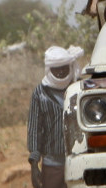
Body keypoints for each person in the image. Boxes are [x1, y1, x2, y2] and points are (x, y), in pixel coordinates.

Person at [28, 45, 84, 188]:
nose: (60, 72)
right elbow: (34, 129)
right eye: (56, 68)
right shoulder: (40, 93)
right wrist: (34, 164)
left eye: (63, 67)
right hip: (53, 164)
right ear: (49, 69)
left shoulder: (79, 88)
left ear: (69, 67)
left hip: (80, 160)